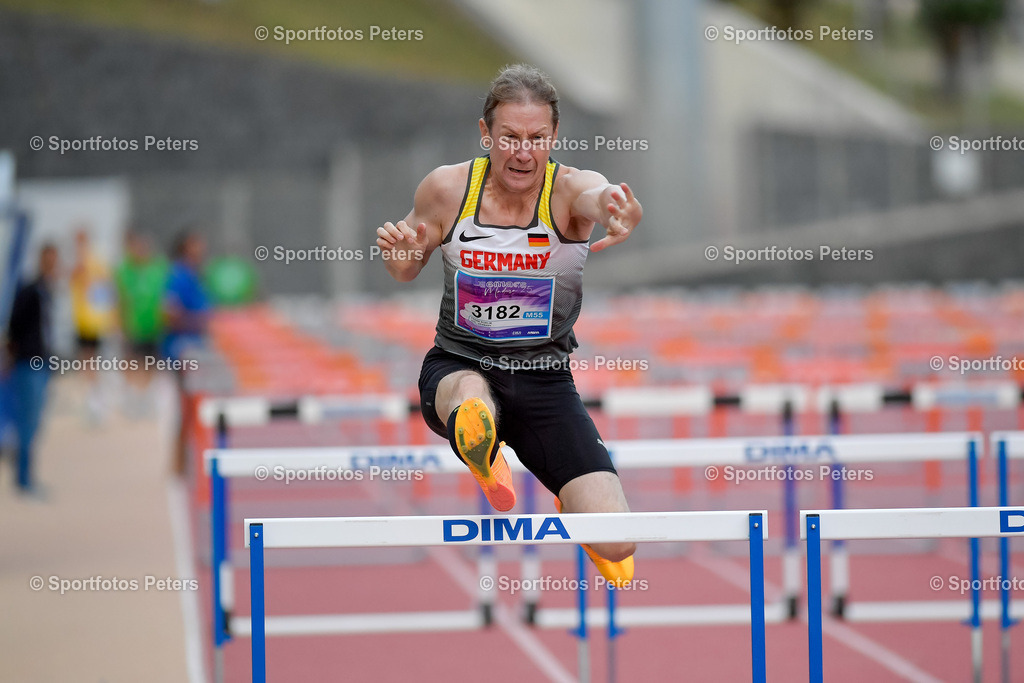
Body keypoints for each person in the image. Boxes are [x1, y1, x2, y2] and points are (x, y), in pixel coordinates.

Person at [376, 64, 643, 585]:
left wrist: (618, 211)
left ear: (554, 137)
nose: (523, 153)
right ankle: (481, 449)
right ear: (486, 134)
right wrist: (400, 255)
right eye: (510, 138)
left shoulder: (568, 191)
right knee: (472, 399)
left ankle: (572, 500)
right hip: (460, 364)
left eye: (536, 138)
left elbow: (601, 194)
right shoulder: (447, 189)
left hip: (545, 381)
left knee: (619, 540)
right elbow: (405, 267)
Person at [6, 243, 59, 497]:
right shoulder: (31, 290)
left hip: (43, 361)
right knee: (28, 421)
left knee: (35, 422)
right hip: (29, 361)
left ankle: (26, 476)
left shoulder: (48, 290)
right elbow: (15, 326)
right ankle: (24, 479)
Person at [162, 229, 210, 476]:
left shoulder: (196, 275)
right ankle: (179, 466)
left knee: (192, 412)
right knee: (186, 411)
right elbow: (169, 313)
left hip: (196, 350)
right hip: (182, 351)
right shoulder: (178, 275)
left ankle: (184, 465)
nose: (201, 248)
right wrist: (198, 321)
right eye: (195, 244)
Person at [114, 229, 169, 416]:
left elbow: (163, 298)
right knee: (132, 362)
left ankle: (145, 395)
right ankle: (131, 396)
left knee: (150, 363)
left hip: (152, 325)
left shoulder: (157, 270)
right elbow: (120, 300)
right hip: (133, 325)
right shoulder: (125, 271)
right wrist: (119, 324)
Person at [69, 227, 115, 423]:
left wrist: (107, 319)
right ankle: (93, 399)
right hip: (82, 321)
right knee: (87, 364)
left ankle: (96, 401)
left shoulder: (94, 262)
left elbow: (104, 290)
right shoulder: (79, 262)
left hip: (93, 322)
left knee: (91, 363)